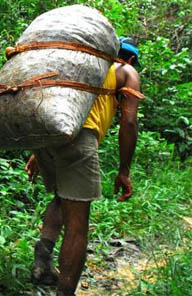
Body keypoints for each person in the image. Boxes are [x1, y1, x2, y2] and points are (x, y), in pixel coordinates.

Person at [25, 37, 142, 296]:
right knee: (78, 222)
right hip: (79, 137)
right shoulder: (126, 71)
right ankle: (65, 292)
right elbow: (130, 122)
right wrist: (124, 170)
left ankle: (42, 261)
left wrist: (38, 152)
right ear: (131, 58)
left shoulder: (81, 66)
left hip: (48, 136)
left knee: (60, 198)